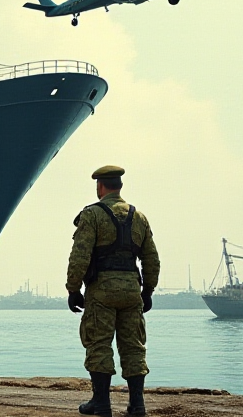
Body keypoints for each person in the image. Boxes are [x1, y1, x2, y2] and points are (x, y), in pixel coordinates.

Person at [66, 165, 159, 417]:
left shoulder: (92, 215)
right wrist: (148, 290)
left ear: (100, 187)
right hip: (131, 291)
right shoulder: (138, 217)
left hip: (102, 291)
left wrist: (73, 289)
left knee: (98, 344)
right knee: (134, 347)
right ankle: (137, 405)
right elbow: (151, 259)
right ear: (120, 186)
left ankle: (102, 404)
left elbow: (80, 256)